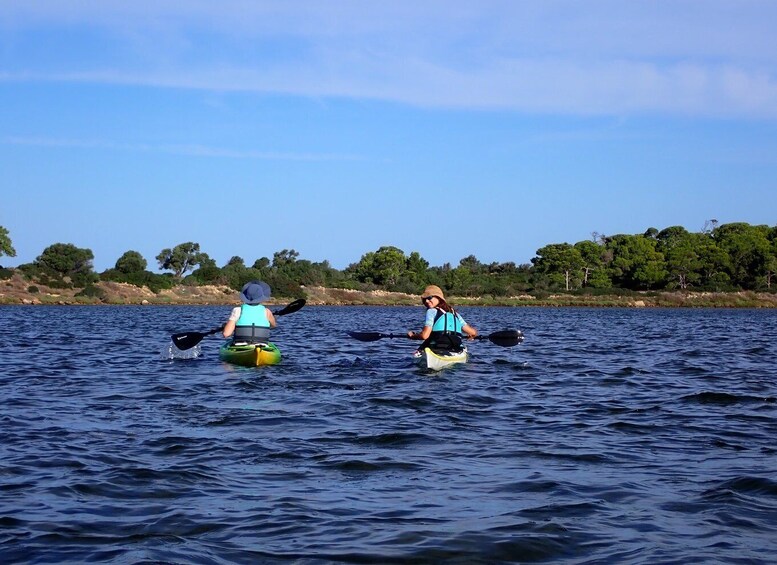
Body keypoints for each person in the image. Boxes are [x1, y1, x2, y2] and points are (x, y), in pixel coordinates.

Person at [407, 285, 477, 352]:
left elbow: (425, 336)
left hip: (438, 345)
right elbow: (473, 332)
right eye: (424, 299)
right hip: (456, 345)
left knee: (421, 348)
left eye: (429, 298)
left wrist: (413, 336)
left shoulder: (431, 311)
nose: (426, 301)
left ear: (438, 298)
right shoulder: (455, 314)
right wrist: (470, 336)